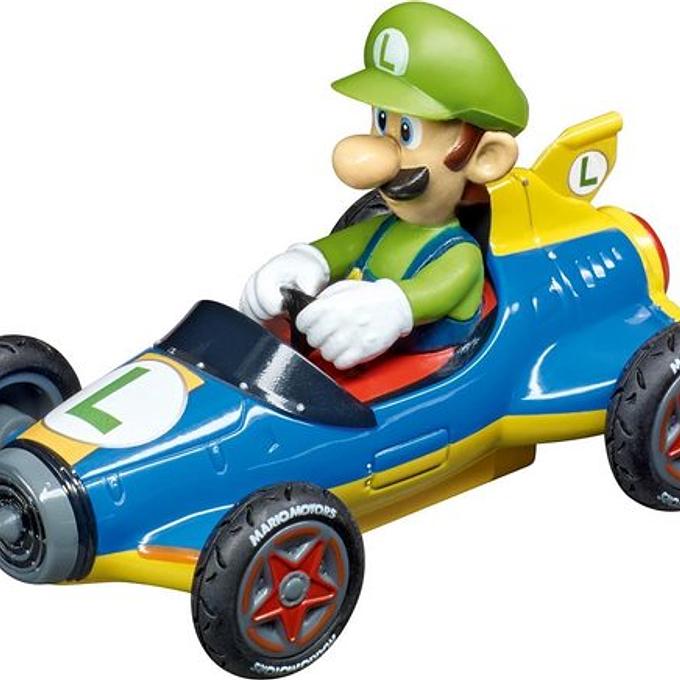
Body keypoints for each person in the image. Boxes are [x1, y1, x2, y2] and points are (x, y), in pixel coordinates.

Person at [240, 2, 528, 370]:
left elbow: (427, 293)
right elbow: (336, 249)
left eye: (407, 132)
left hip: (426, 374)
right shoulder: (382, 229)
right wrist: (304, 261)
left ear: (486, 156)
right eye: (381, 121)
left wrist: (394, 306)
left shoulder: (460, 257)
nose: (376, 155)